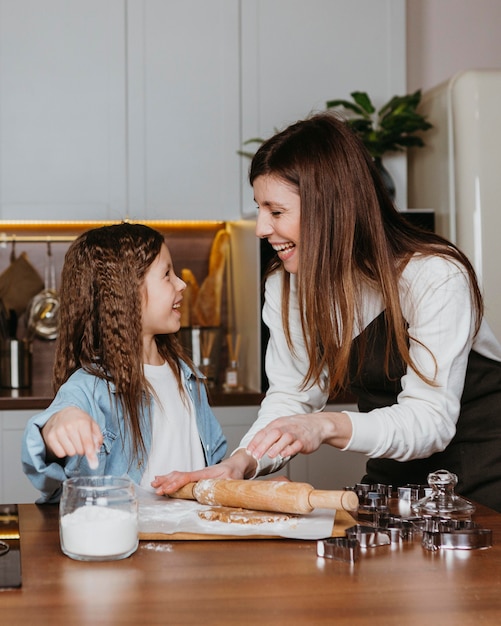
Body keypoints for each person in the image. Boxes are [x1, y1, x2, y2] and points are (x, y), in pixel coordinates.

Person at [154, 112, 501, 512]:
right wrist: (242, 462)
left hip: (482, 474)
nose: (260, 229)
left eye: (276, 211)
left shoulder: (433, 275)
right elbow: (292, 398)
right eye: (259, 209)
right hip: (395, 476)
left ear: (330, 208)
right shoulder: (287, 287)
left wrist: (326, 425)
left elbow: (430, 422)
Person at [22, 223, 227, 503]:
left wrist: (248, 485)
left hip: (195, 538)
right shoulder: (90, 387)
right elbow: (43, 460)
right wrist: (56, 426)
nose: (181, 284)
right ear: (124, 291)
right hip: (129, 543)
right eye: (167, 274)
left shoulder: (188, 377)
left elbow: (214, 468)